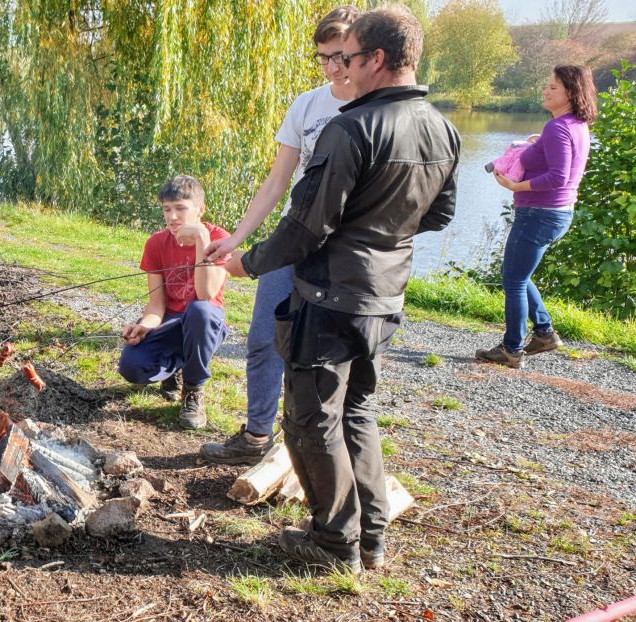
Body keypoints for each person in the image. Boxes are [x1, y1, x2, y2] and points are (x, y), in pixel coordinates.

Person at [225, 5, 459, 573]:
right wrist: (379, 231)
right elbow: (439, 214)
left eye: (348, 57)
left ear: (376, 58)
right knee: (356, 410)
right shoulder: (442, 127)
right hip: (384, 293)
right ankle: (370, 537)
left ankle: (333, 543)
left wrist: (248, 263)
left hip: (329, 296)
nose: (342, 68)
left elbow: (307, 226)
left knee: (311, 419)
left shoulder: (351, 127)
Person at [199, 5, 361, 466]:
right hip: (292, 236)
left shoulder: (373, 107)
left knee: (326, 354)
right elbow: (276, 182)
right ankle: (256, 435)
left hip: (343, 250)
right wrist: (237, 239)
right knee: (264, 337)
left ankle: (324, 449)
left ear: (362, 52)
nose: (332, 68)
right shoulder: (307, 105)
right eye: (323, 57)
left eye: (340, 56)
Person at [476, 65, 597, 369]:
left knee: (513, 279)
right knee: (519, 275)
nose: (545, 91)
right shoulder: (575, 125)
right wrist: (538, 144)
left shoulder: (557, 128)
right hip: (557, 213)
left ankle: (512, 349)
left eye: (553, 87)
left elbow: (558, 176)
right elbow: (560, 160)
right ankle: (544, 334)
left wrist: (516, 186)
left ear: (571, 93)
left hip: (539, 214)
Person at [117, 175, 231, 430]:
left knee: (200, 310)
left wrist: (201, 238)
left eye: (180, 208)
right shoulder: (156, 243)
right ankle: (174, 369)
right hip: (170, 322)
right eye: (167, 209)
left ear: (200, 209)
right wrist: (146, 325)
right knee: (131, 368)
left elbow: (205, 293)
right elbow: (157, 303)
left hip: (205, 323)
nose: (172, 217)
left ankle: (193, 389)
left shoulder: (218, 237)